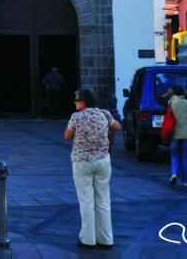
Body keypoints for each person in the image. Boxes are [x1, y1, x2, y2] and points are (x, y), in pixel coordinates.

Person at [64, 88, 120, 250]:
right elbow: (117, 126)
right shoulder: (104, 114)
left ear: (83, 102)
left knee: (86, 200)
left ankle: (88, 239)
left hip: (82, 162)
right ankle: (106, 239)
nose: (75, 102)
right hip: (102, 160)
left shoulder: (77, 117)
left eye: (76, 100)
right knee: (103, 200)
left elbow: (67, 135)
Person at [167, 85, 187, 188]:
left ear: (173, 92)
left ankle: (174, 173)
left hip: (175, 133)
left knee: (174, 155)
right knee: (186, 157)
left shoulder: (171, 102)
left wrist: (167, 94)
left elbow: (158, 100)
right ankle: (186, 181)